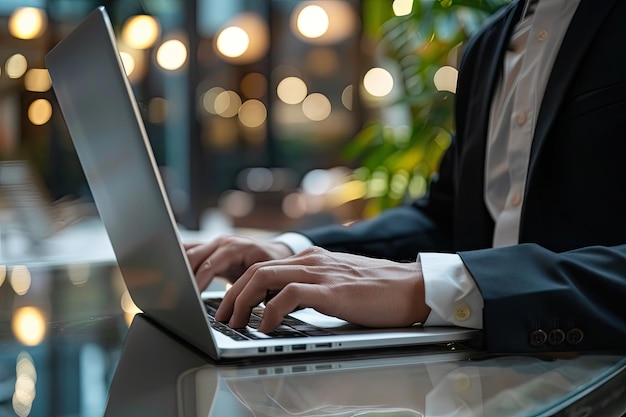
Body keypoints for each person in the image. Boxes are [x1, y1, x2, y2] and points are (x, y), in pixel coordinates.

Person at [186, 0, 626, 354]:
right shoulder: (488, 46)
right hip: (481, 373)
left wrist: (434, 287)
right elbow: (445, 217)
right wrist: (292, 251)